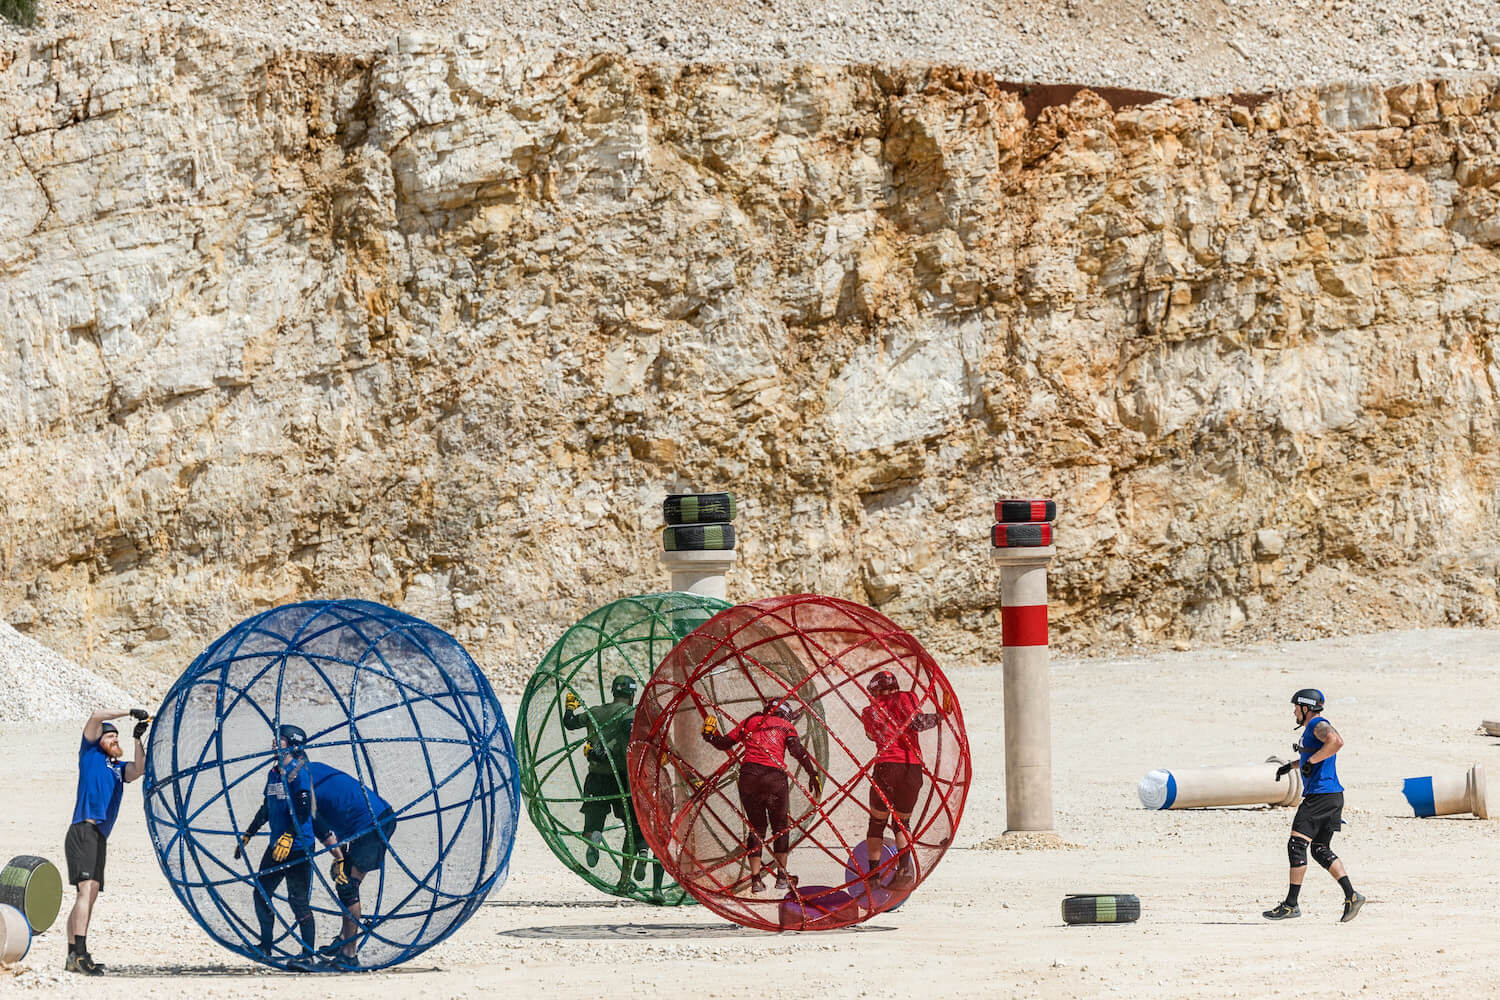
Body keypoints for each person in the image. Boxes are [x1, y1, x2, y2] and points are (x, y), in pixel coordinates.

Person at [1264, 689, 1366, 922]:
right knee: (1320, 849)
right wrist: (1291, 766)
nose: (1293, 712)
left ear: (1305, 708)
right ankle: (1352, 895)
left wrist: (1310, 761)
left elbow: (1336, 742)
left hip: (1320, 797)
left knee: (1296, 845)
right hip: (1333, 796)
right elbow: (1319, 753)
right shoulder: (1313, 729)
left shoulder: (1317, 724)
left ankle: (1291, 905)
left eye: (1295, 708)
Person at [235, 724, 333, 967]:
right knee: (261, 893)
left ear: (292, 743)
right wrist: (249, 833)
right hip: (277, 846)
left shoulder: (299, 772)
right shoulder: (274, 773)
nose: (273, 743)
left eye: (279, 739)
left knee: (297, 901)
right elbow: (267, 807)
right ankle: (265, 946)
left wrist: (290, 835)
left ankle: (307, 953)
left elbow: (303, 810)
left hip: (299, 847)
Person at [702, 697, 823, 894]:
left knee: (756, 828)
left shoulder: (752, 721)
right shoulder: (785, 726)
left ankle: (756, 879)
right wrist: (812, 773)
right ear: (785, 713)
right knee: (780, 828)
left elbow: (724, 743)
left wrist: (709, 734)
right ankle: (782, 876)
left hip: (749, 778)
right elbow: (797, 751)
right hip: (773, 779)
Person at [562, 675, 666, 901]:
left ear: (612, 691)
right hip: (624, 779)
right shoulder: (634, 715)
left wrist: (569, 708)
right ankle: (628, 873)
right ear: (632, 694)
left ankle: (594, 836)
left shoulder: (595, 712)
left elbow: (569, 724)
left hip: (597, 777)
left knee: (592, 820)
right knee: (632, 825)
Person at [64, 707, 150, 975]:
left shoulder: (117, 768)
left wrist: (137, 739)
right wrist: (128, 712)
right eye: (111, 738)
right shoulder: (90, 753)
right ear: (99, 740)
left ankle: (73, 955)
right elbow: (95, 715)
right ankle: (79, 953)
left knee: (88, 898)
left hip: (98, 837)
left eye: (117, 738)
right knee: (85, 892)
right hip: (83, 830)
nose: (116, 741)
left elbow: (139, 769)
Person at [860, 670, 950, 890]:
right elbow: (918, 723)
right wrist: (940, 715)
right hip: (912, 769)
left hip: (886, 767)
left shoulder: (869, 711)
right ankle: (904, 868)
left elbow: (871, 736)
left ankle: (873, 875)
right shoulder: (907, 697)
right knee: (902, 822)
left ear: (875, 691)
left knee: (877, 823)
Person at [305, 760, 396, 967]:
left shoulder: (301, 783)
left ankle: (349, 954)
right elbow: (334, 811)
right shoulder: (311, 769)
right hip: (366, 821)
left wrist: (338, 856)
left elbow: (320, 825)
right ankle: (344, 939)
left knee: (348, 885)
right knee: (343, 877)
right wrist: (340, 857)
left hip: (373, 823)